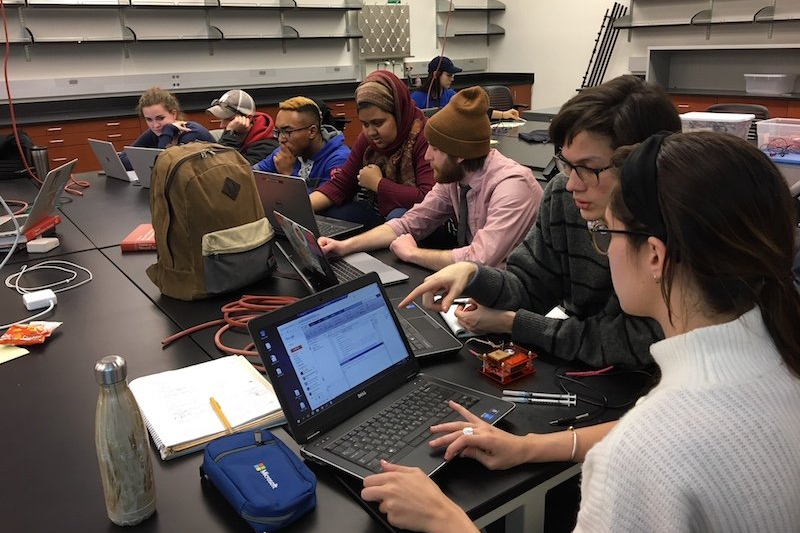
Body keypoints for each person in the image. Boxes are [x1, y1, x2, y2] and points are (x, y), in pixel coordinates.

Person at [361, 131, 800, 532]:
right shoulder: (777, 352)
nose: (604, 250)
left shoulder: (642, 455)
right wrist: (529, 447)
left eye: (608, 234)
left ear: (654, 255)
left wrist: (445, 520)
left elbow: (650, 443)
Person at [401, 75, 682, 368]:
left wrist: (514, 324)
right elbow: (529, 287)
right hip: (581, 364)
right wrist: (473, 274)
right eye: (567, 163)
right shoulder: (563, 197)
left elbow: (640, 341)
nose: (571, 183)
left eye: (587, 168)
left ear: (645, 167)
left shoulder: (677, 225)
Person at [318, 86, 543, 271]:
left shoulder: (512, 186)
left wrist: (413, 253)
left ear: (459, 154)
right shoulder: (454, 178)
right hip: (483, 283)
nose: (427, 155)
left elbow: (479, 260)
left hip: (519, 295)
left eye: (435, 149)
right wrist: (344, 246)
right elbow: (408, 223)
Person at [310, 70, 435, 229]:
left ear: (398, 113)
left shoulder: (425, 136)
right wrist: (300, 207)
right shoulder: (367, 140)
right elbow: (342, 185)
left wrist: (378, 184)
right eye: (365, 124)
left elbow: (429, 198)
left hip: (425, 220)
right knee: (333, 211)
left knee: (398, 215)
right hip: (382, 215)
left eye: (378, 123)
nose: (370, 132)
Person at [253, 96, 350, 192]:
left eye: (287, 131)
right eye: (277, 132)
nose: (281, 139)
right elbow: (250, 177)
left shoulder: (339, 159)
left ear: (312, 132)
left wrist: (288, 174)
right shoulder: (286, 153)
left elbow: (320, 203)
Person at [122, 87, 215, 170]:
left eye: (160, 118)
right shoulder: (156, 132)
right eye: (149, 119)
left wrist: (168, 130)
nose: (155, 125)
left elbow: (162, 165)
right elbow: (123, 159)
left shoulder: (192, 134)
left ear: (174, 114)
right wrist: (148, 160)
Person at [411, 56, 520, 121]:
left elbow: (474, 109)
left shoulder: (450, 95)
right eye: (449, 75)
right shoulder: (417, 98)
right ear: (436, 74)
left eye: (453, 76)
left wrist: (504, 114)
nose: (452, 79)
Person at [206, 89, 278, 165]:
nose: (222, 125)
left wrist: (231, 134)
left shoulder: (266, 146)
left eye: (229, 119)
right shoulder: (235, 132)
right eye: (222, 119)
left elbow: (226, 167)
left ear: (248, 118)